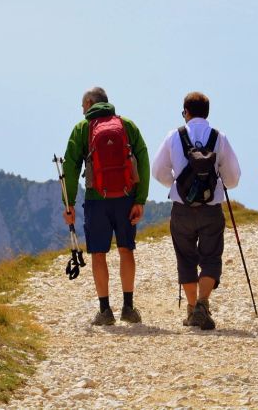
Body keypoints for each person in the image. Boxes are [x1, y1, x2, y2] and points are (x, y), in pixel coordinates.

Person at [152, 92, 241, 330]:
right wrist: (221, 184)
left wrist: (175, 184)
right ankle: (202, 304)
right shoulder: (218, 137)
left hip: (182, 208)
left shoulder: (174, 136)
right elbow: (233, 176)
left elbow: (158, 170)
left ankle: (193, 310)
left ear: (186, 112)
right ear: (207, 112)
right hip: (211, 207)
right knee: (211, 256)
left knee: (186, 257)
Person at [62, 87, 151, 326]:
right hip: (125, 197)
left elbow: (70, 168)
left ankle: (105, 311)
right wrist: (139, 199)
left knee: (98, 253)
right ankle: (129, 308)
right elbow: (142, 160)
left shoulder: (82, 129)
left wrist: (68, 203)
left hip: (96, 200)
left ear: (90, 102)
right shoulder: (127, 125)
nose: (82, 111)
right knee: (125, 249)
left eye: (83, 107)